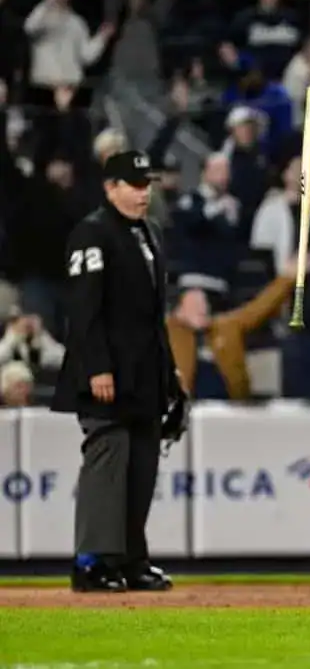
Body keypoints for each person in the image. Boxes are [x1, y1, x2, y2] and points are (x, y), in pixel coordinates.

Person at [51, 150, 188, 593]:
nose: (143, 192)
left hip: (145, 373)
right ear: (110, 187)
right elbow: (83, 310)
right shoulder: (91, 234)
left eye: (146, 183)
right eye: (134, 184)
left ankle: (131, 559)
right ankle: (92, 560)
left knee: (143, 466)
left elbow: (153, 316)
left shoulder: (149, 233)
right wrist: (96, 368)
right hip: (108, 372)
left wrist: (170, 374)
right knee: (107, 463)